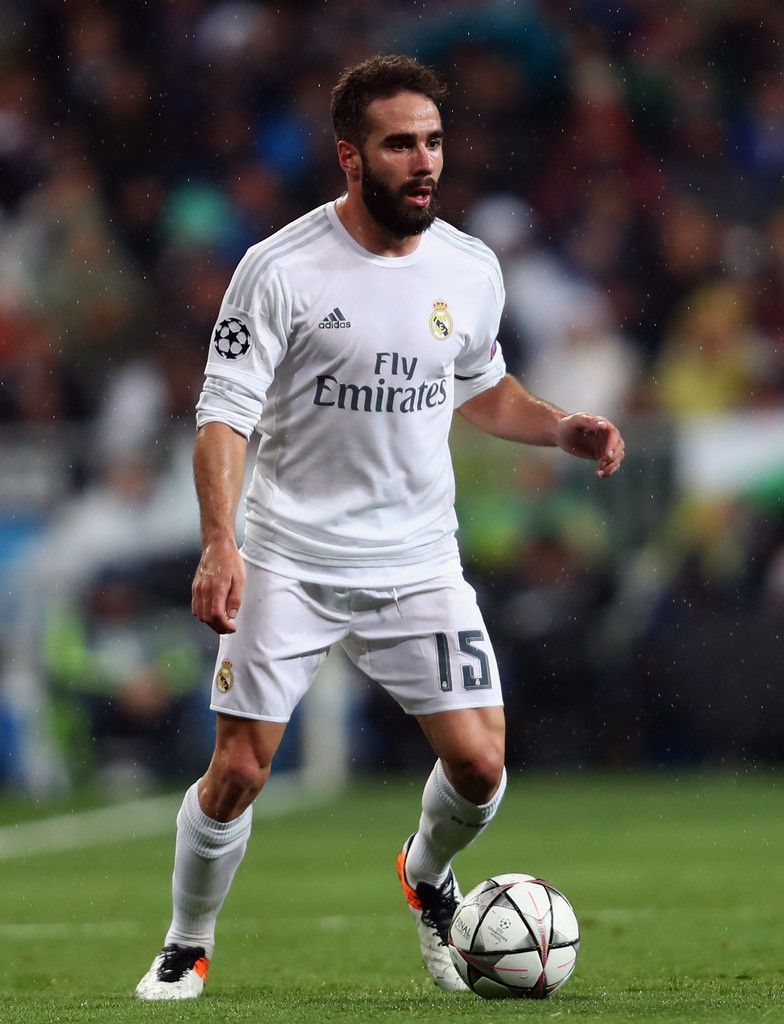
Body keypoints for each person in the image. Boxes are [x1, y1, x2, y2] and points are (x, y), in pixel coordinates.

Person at [135, 54, 624, 1000]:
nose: (424, 161)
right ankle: (187, 944)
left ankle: (427, 875)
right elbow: (223, 416)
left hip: (417, 560)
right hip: (289, 556)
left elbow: (482, 387)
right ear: (351, 158)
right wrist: (221, 542)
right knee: (239, 770)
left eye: (433, 141)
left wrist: (561, 427)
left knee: (481, 765)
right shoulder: (279, 269)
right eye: (400, 144)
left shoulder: (470, 269)